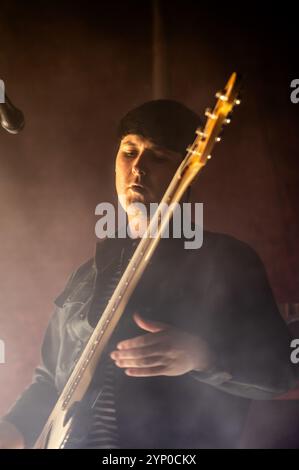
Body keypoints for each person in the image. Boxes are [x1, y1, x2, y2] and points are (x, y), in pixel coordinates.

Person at [0, 100, 297, 449]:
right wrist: (11, 429)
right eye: (129, 151)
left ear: (187, 173)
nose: (139, 167)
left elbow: (281, 368)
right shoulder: (87, 275)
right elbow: (51, 379)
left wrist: (203, 355)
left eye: (158, 157)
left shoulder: (226, 260)